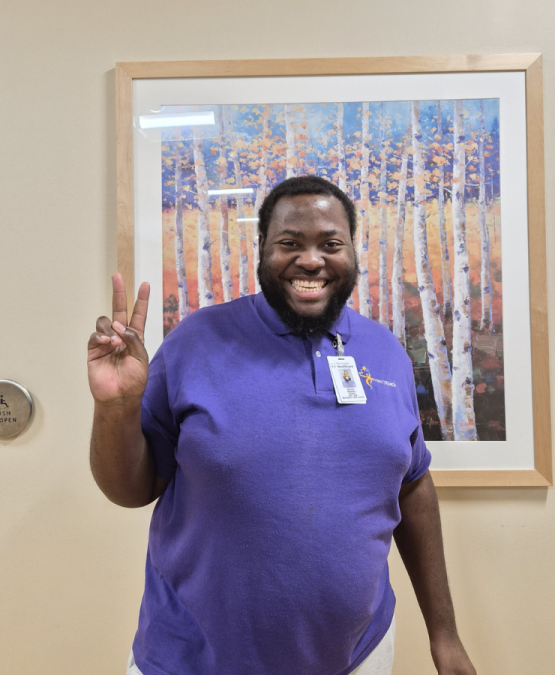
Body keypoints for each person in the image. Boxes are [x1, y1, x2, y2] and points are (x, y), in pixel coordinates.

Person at [87, 176, 476, 675]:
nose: (311, 260)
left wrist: (445, 636)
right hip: (192, 659)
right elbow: (130, 490)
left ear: (353, 252)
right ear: (262, 250)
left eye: (330, 244)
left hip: (358, 657)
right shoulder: (195, 343)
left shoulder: (386, 352)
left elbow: (412, 483)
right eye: (289, 243)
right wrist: (116, 408)